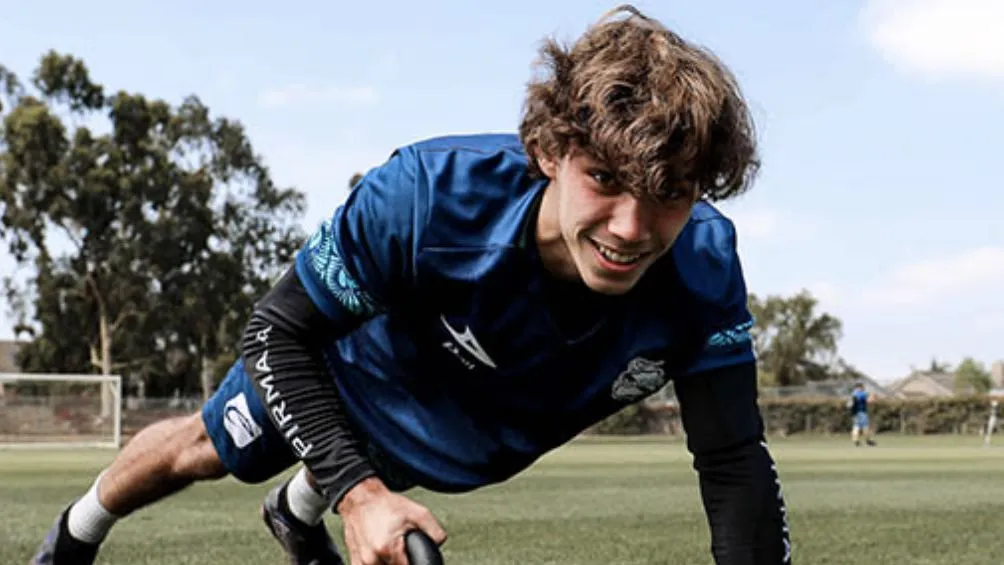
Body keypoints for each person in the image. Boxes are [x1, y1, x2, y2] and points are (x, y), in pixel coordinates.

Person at [31, 5, 792, 565]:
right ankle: (76, 530)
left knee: (396, 454)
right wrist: (359, 496)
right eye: (604, 179)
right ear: (550, 150)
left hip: (470, 428)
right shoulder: (428, 194)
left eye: (669, 193)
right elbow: (277, 330)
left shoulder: (704, 269)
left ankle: (296, 513)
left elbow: (733, 461)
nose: (631, 226)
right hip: (356, 370)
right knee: (208, 445)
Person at [848, 382, 876, 447]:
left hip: (854, 413)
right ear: (859, 387)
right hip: (862, 412)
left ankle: (855, 441)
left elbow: (849, 404)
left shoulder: (852, 394)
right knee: (865, 427)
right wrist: (873, 396)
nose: (863, 388)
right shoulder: (861, 393)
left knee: (856, 426)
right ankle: (868, 441)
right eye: (862, 387)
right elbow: (870, 401)